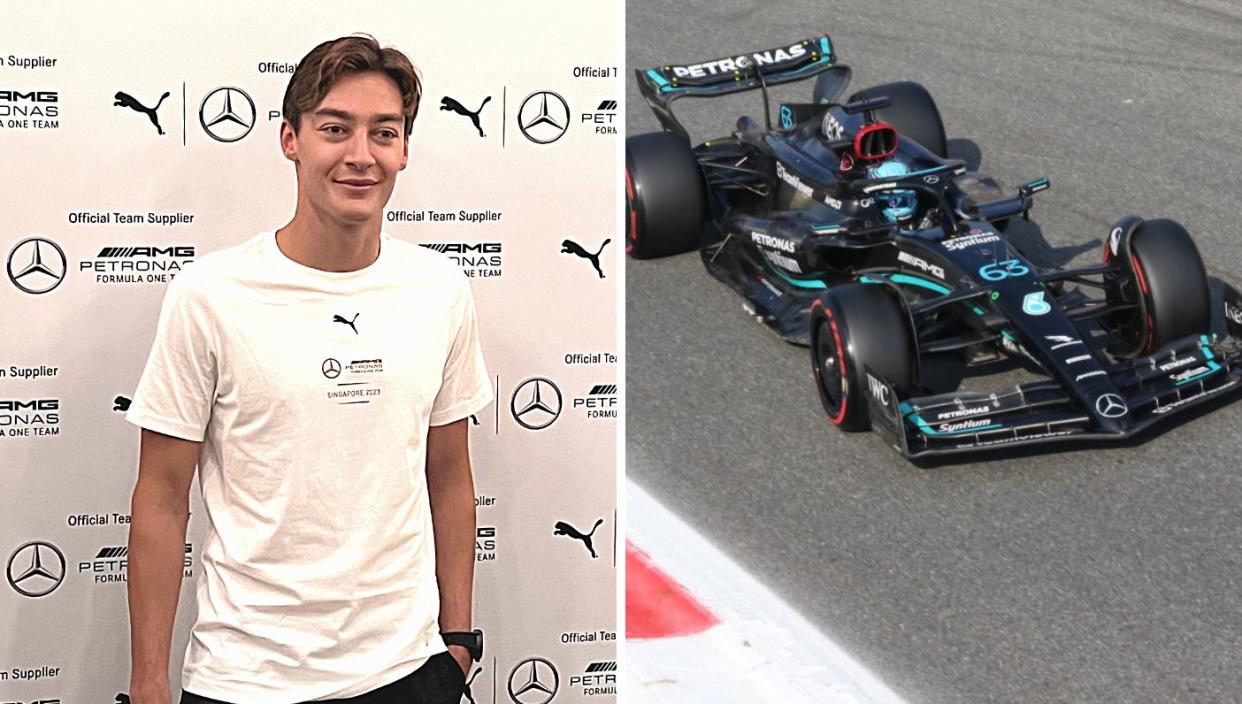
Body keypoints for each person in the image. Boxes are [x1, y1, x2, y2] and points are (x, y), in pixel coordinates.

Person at [125, 35, 491, 704]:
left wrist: (459, 638)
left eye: (383, 133)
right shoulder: (211, 294)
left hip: (407, 672)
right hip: (248, 677)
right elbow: (159, 496)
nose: (360, 155)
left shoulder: (440, 289)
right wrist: (148, 679)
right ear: (290, 140)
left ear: (404, 150)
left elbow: (450, 472)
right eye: (334, 129)